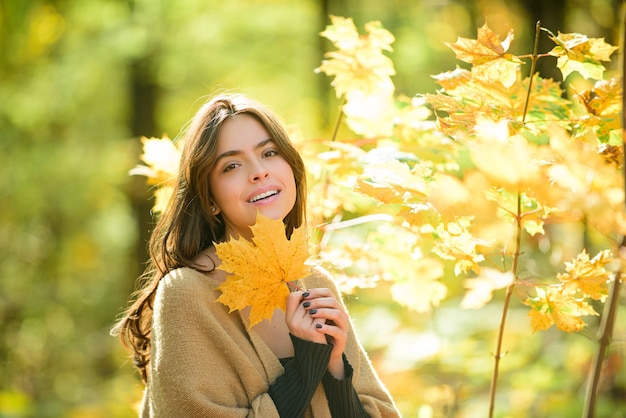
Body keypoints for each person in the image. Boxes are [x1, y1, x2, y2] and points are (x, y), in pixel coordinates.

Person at [113, 93, 401, 417]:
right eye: (232, 165)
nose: (259, 171)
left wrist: (335, 370)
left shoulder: (316, 281)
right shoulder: (186, 293)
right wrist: (306, 367)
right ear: (210, 198)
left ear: (291, 168)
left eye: (269, 152)